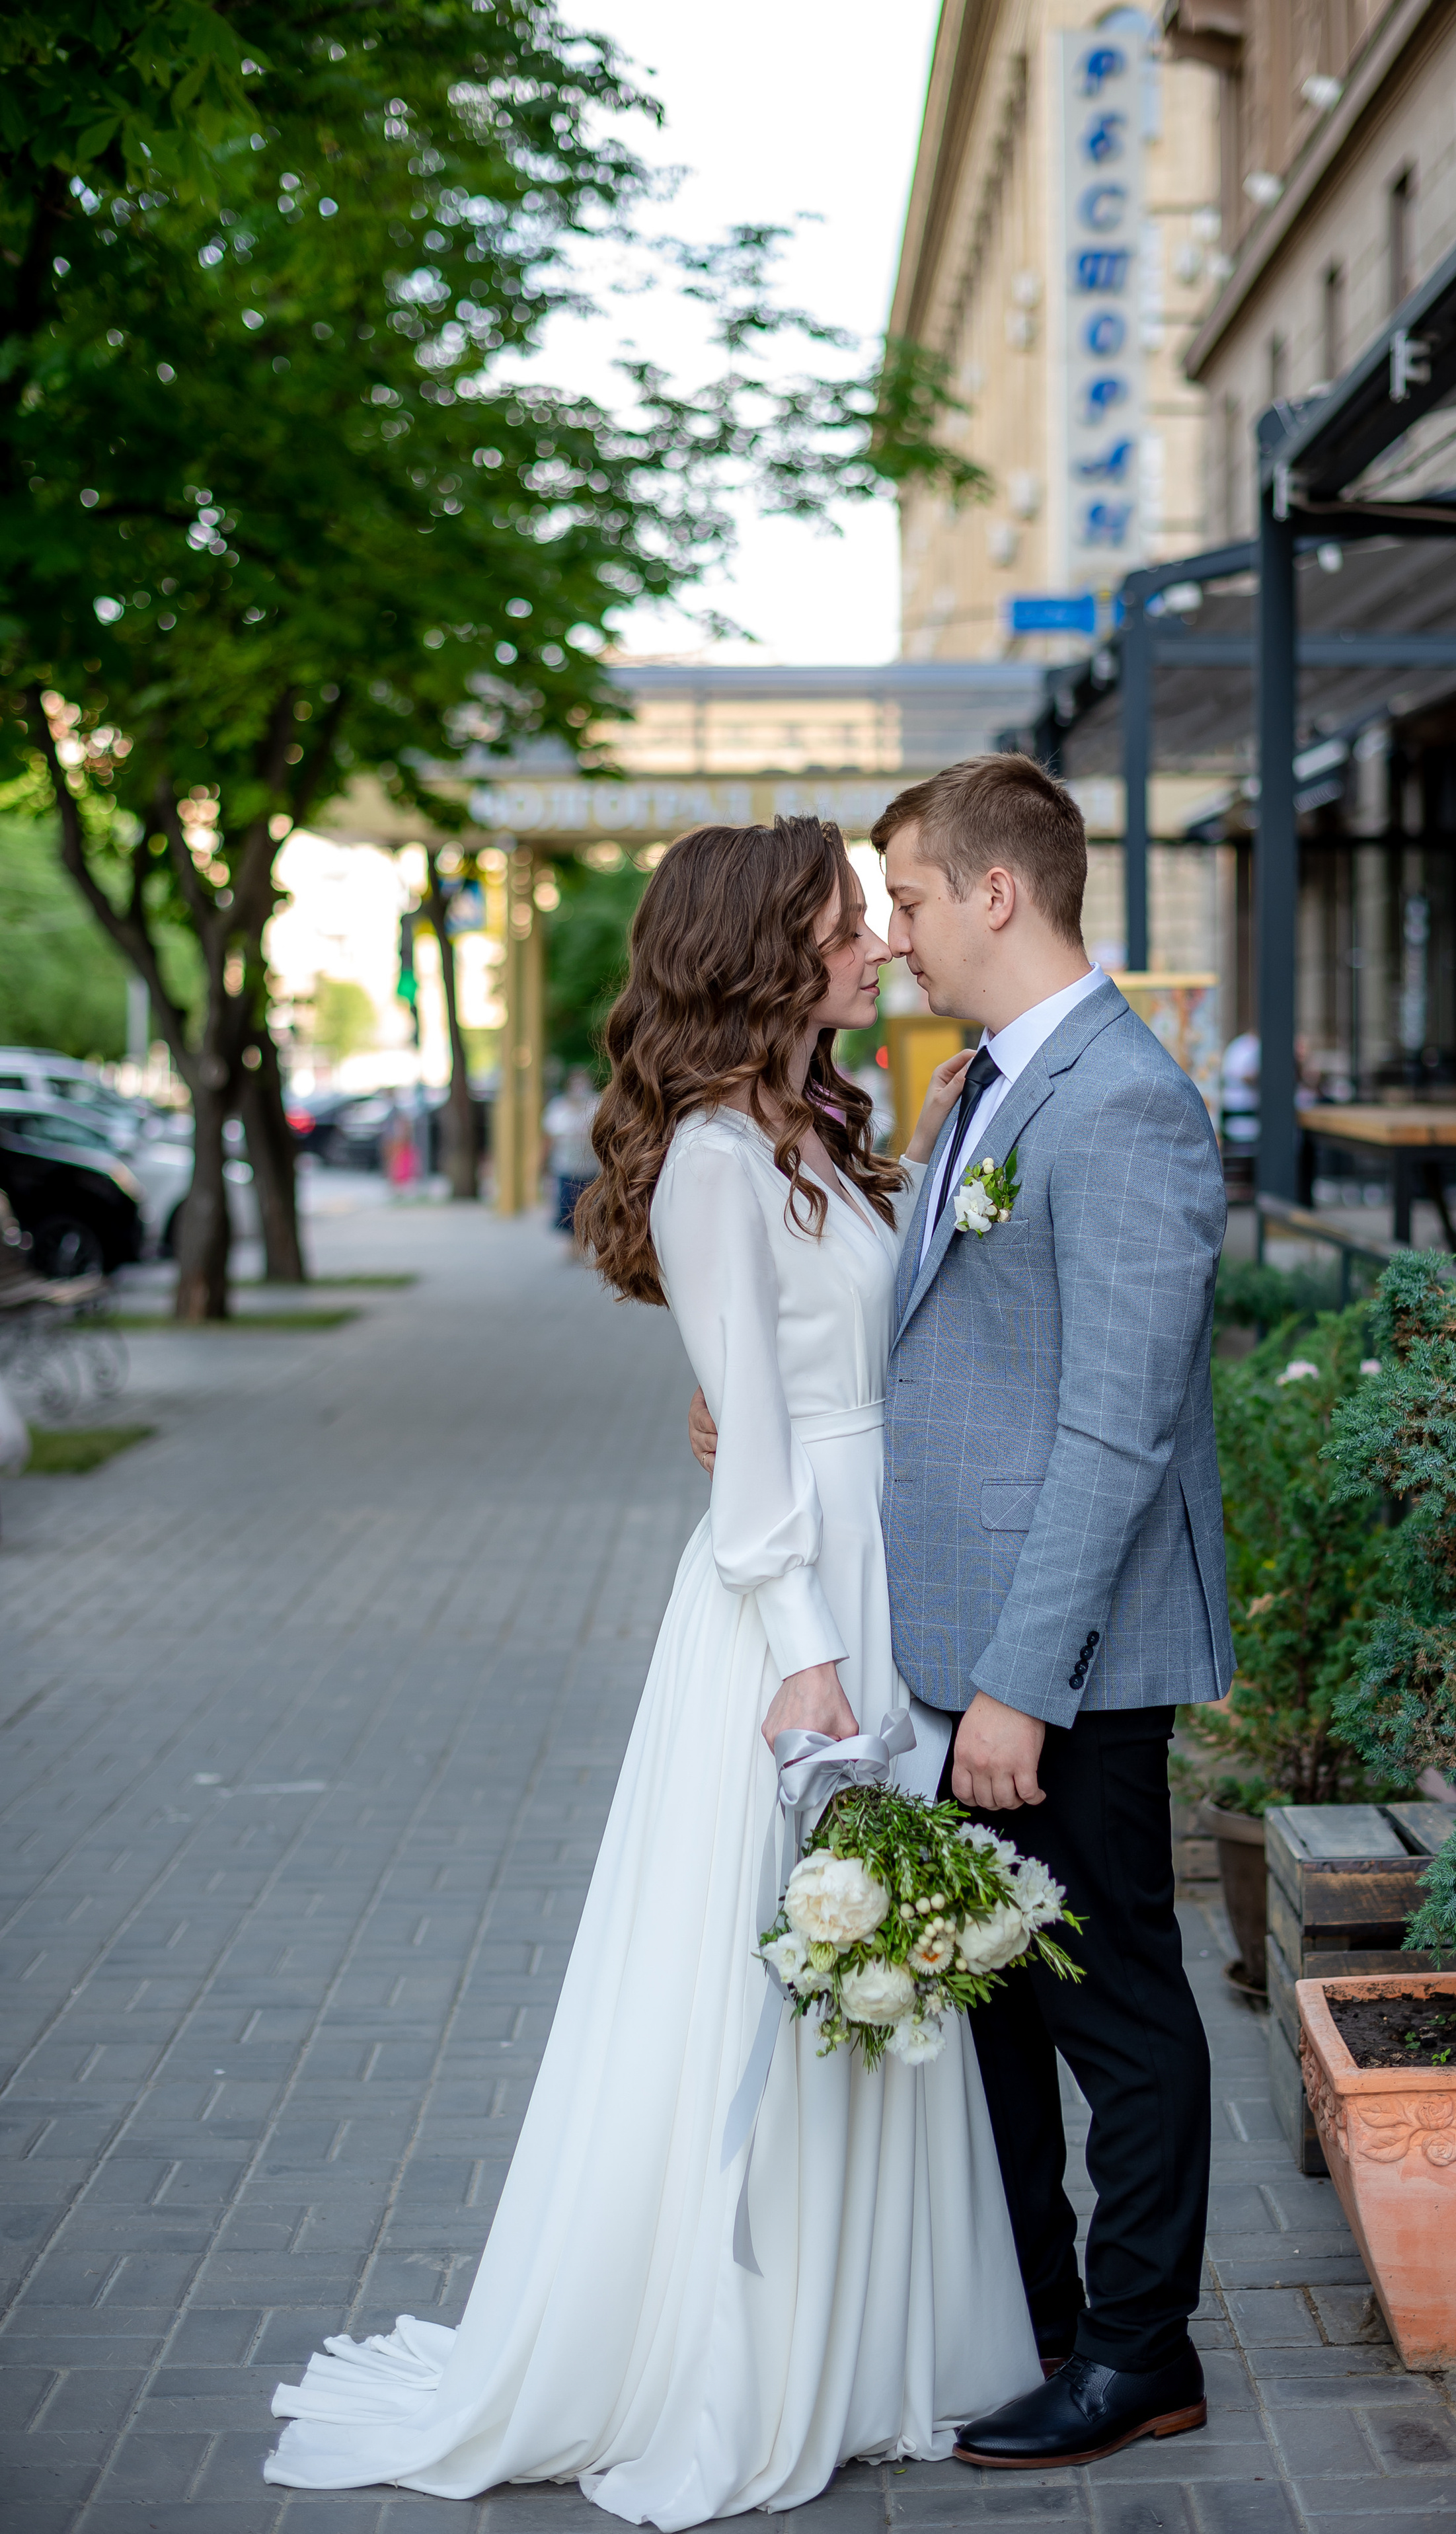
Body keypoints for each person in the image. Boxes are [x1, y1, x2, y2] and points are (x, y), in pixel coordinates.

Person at [264, 816, 1038, 2521]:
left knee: (873, 1975)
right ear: (772, 948)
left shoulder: (814, 1136)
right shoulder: (706, 1160)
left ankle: (873, 2342)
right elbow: (754, 1456)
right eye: (847, 923)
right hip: (795, 1624)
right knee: (782, 1970)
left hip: (877, 1570)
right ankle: (747, 2351)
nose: (874, 946)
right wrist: (811, 1663)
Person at [690, 753, 1231, 2468]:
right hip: (958, 1648)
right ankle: (1044, 2326)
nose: (895, 935)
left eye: (909, 898)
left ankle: (1141, 2353)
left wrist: (1020, 1683)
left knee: (1112, 2002)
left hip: (1055, 1655)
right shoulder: (977, 1091)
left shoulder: (1123, 1103)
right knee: (992, 1997)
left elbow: (1115, 1426)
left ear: (998, 892)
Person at [543, 1064, 601, 1260]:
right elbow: (551, 1135)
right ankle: (571, 1244)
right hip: (566, 1165)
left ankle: (584, 1243)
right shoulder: (559, 1106)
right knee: (567, 1205)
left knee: (588, 1207)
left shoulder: (596, 1104)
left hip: (591, 1167)